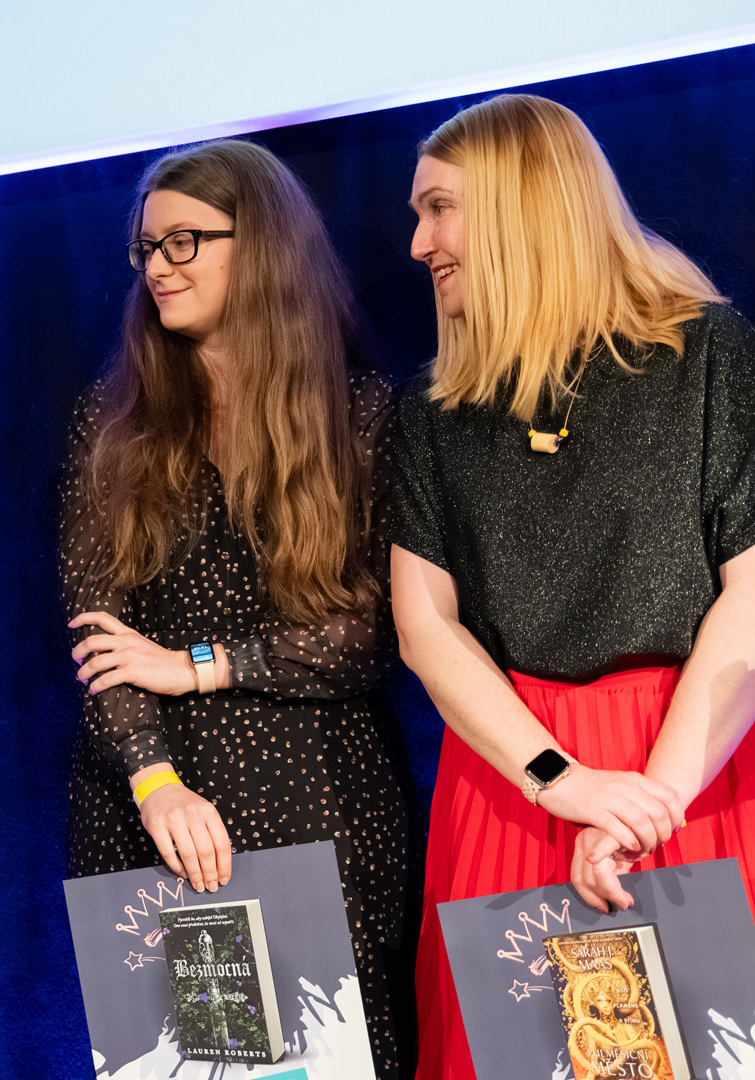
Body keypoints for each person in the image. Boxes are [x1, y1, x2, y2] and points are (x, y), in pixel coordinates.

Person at [392, 93, 755, 1080]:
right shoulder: (434, 412)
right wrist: (564, 783)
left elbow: (750, 598)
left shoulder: (706, 354)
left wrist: (649, 805)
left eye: (438, 209)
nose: (419, 243)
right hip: (514, 784)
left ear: (521, 203)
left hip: (691, 767)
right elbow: (425, 628)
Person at [61, 138, 412, 1078]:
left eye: (184, 242)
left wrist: (196, 665)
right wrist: (154, 781)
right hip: (162, 802)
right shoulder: (115, 422)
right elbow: (95, 631)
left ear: (259, 245)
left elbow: (371, 631)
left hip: (319, 794)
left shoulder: (359, 415)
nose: (158, 267)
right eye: (146, 248)